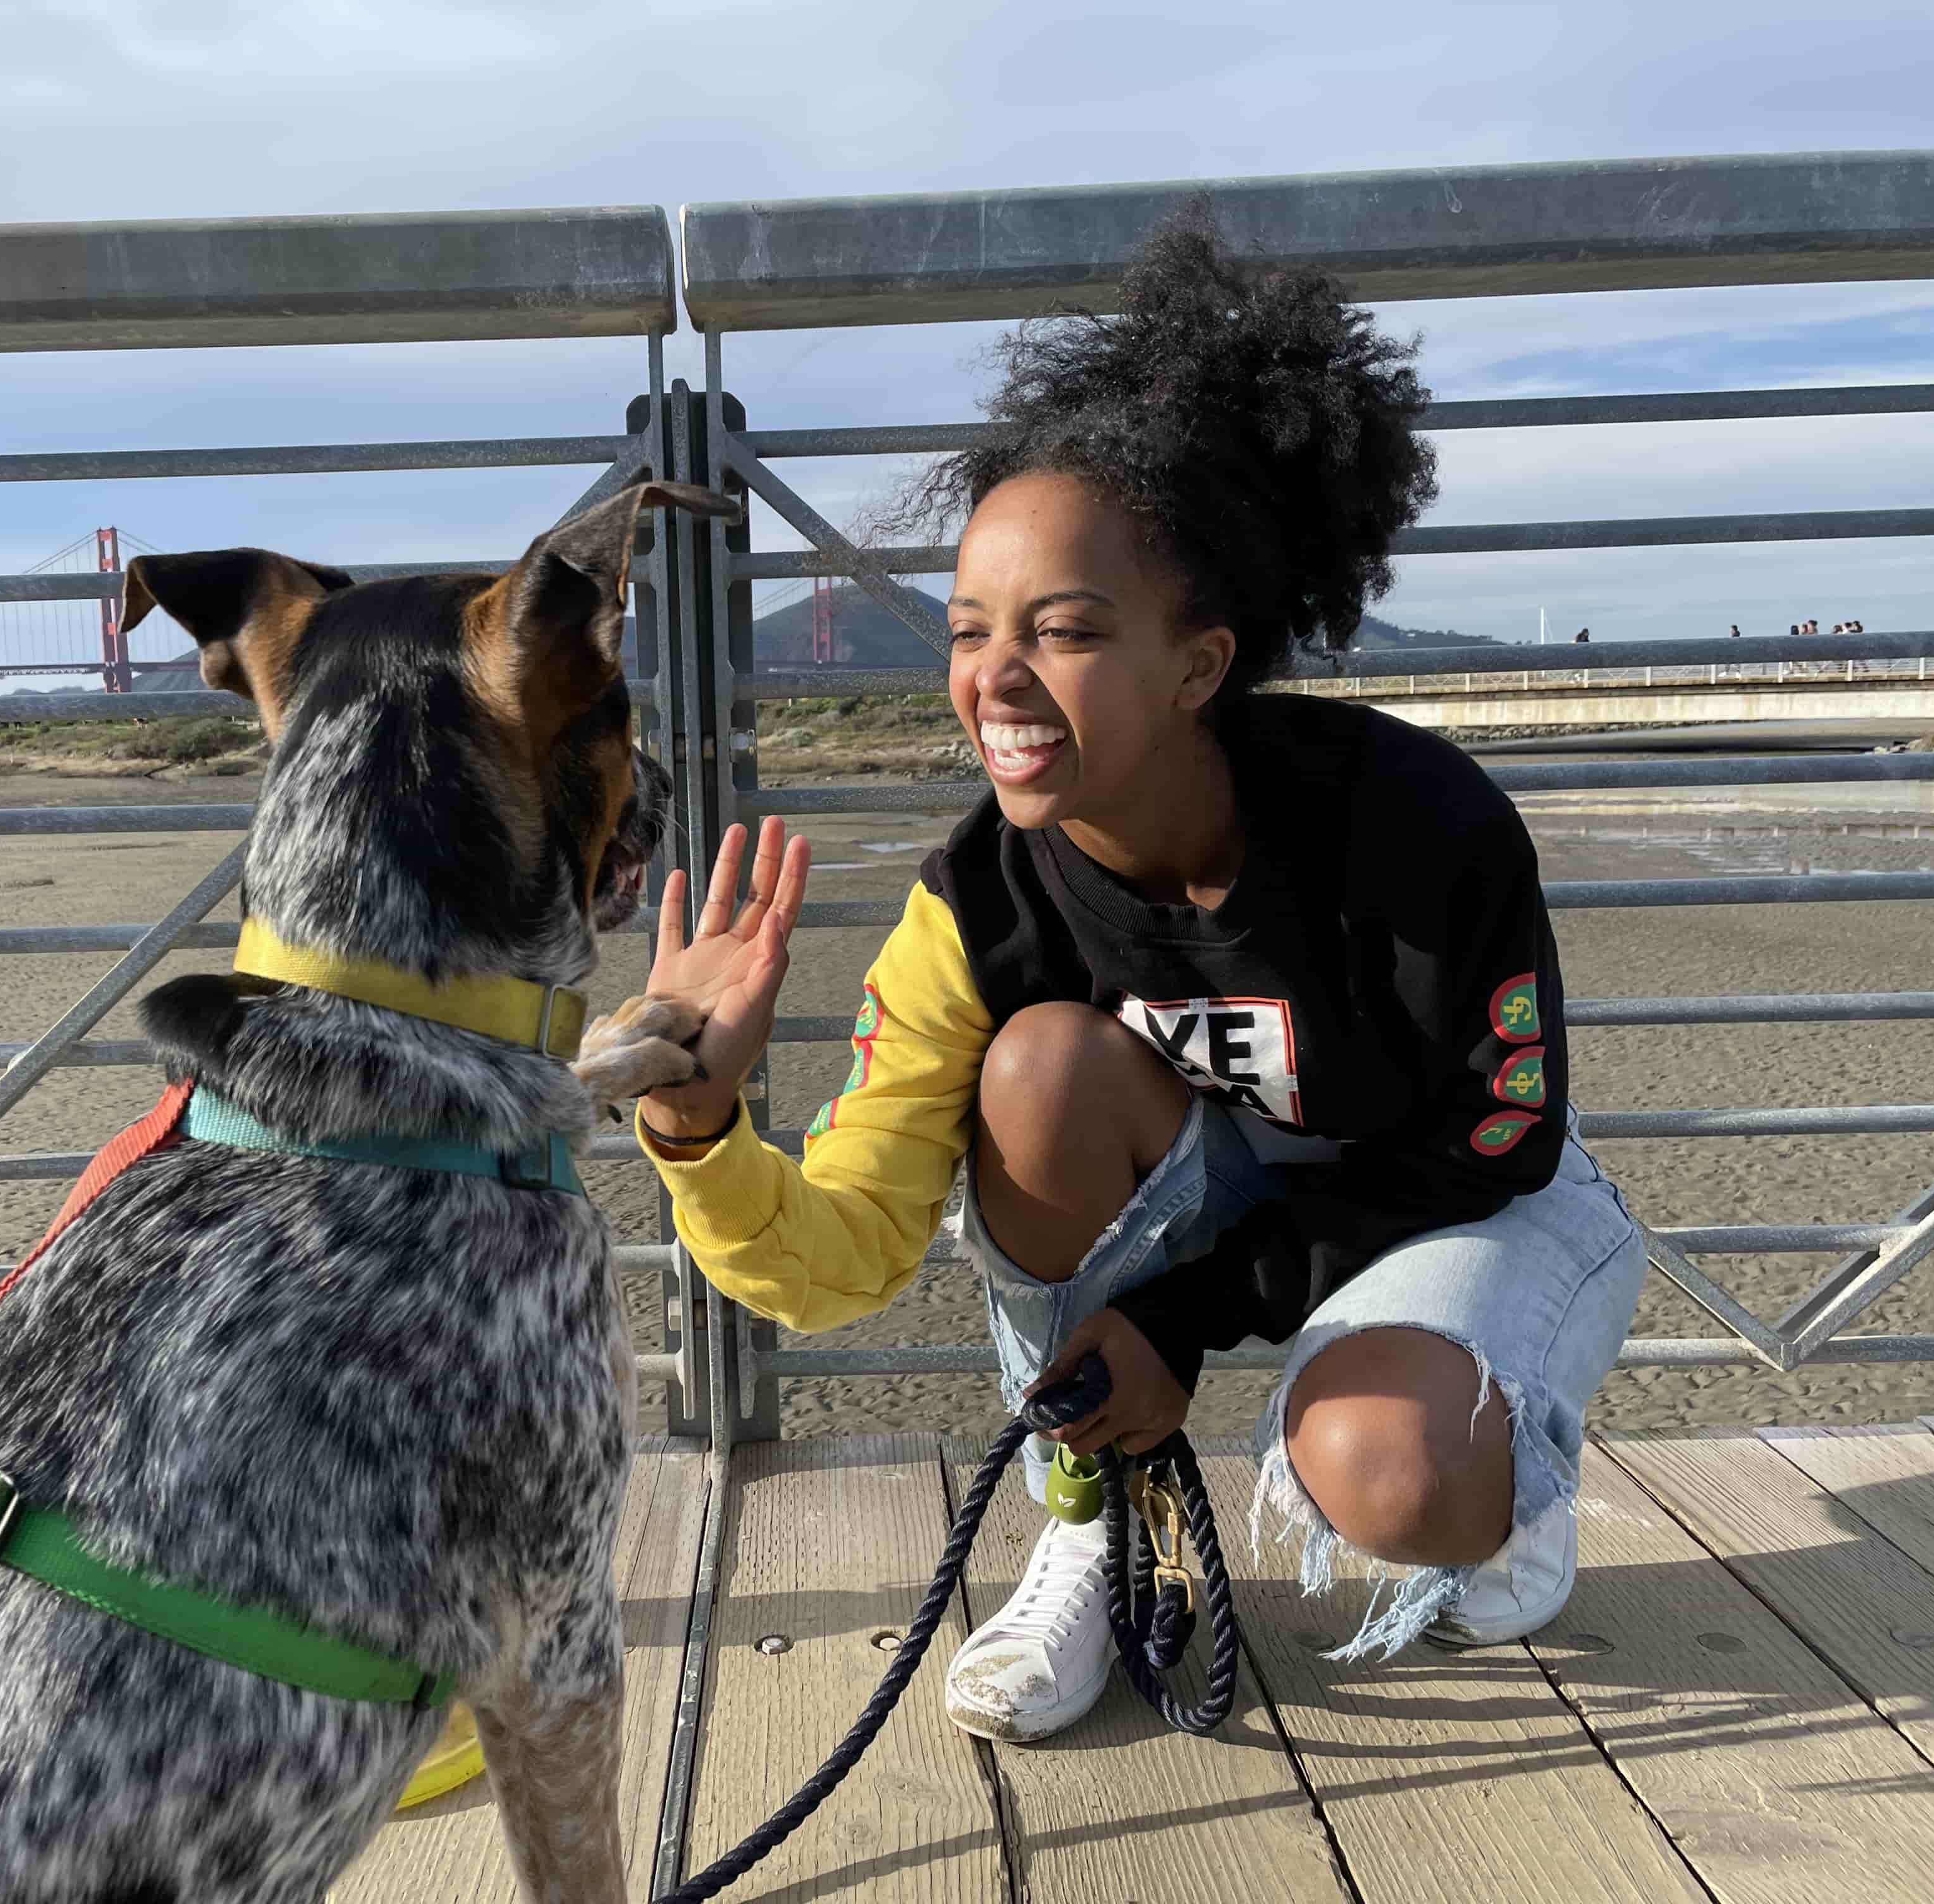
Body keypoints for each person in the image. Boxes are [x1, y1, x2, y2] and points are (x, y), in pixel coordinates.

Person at [630, 214, 1648, 1745]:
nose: (998, 679)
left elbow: (1487, 1138)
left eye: (1070, 630)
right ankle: (1095, 1517)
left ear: (1199, 663)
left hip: (1460, 1192)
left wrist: (1182, 1323)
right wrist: (699, 1132)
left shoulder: (1418, 833)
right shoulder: (979, 906)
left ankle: (1508, 1492)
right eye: (971, 632)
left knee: (1393, 1477)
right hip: (1226, 1203)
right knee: (1038, 1070)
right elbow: (840, 1259)